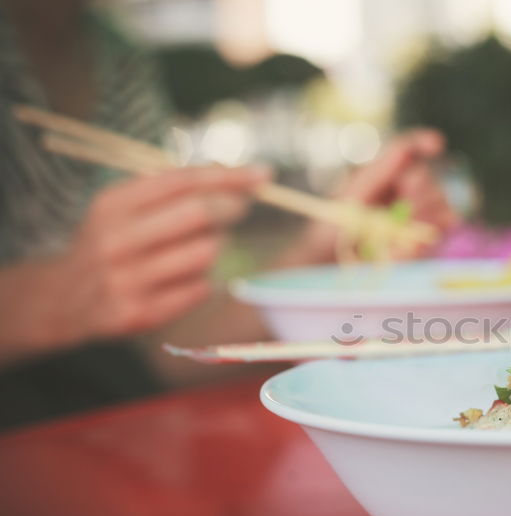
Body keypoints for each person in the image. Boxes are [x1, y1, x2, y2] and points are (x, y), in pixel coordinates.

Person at [0, 1, 457, 428]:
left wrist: (326, 255)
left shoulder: (115, 55)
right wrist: (55, 293)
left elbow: (169, 352)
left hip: (111, 442)